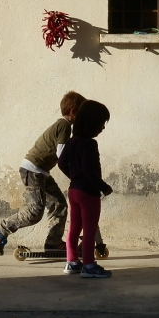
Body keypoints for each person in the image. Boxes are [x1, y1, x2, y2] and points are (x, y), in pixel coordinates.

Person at [0, 91, 86, 256]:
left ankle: (53, 243)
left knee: (59, 204)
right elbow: (62, 154)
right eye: (82, 113)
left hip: (40, 172)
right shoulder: (64, 125)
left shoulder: (63, 126)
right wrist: (76, 175)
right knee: (35, 212)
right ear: (73, 111)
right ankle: (0, 231)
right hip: (33, 171)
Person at [57, 100, 113, 278]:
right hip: (88, 193)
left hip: (73, 191)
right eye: (101, 123)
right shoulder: (90, 144)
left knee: (74, 228)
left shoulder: (72, 142)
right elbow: (89, 170)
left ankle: (72, 262)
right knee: (89, 230)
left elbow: (61, 162)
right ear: (92, 123)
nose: (103, 128)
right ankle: (89, 265)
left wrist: (74, 176)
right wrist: (102, 186)